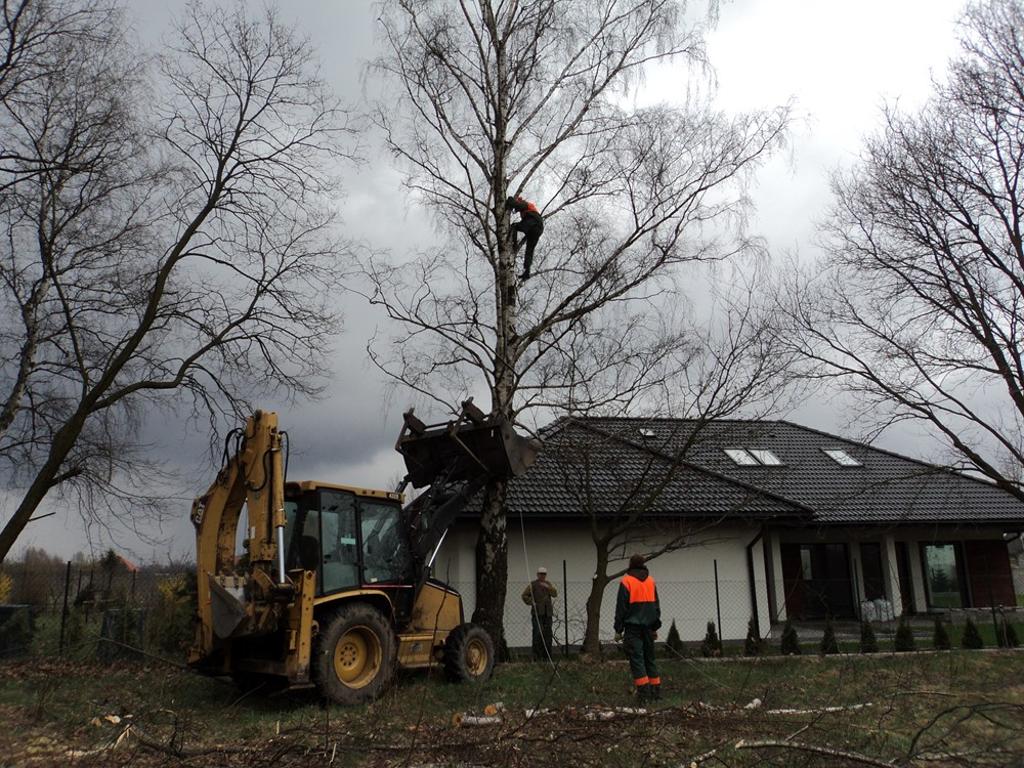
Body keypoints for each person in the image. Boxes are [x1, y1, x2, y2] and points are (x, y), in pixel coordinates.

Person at [613, 554, 662, 703]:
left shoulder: (626, 581)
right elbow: (656, 606)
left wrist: (618, 629)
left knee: (637, 660)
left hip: (633, 628)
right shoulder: (651, 581)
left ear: (630, 565)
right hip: (648, 626)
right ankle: (656, 693)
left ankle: (643, 695)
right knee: (650, 658)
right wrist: (654, 627)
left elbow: (621, 608)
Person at [521, 566, 557, 660]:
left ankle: (547, 656)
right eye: (541, 574)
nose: (542, 576)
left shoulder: (548, 584)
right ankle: (536, 656)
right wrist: (531, 602)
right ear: (537, 574)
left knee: (548, 634)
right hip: (537, 613)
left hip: (547, 613)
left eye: (544, 574)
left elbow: (555, 594)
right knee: (537, 633)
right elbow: (524, 595)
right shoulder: (533, 584)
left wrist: (548, 587)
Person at [506, 195, 544, 281]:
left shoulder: (525, 204)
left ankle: (513, 244)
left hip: (533, 222)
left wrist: (510, 200)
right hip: (537, 229)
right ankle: (527, 271)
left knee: (514, 226)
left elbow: (516, 205)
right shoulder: (527, 210)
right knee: (529, 251)